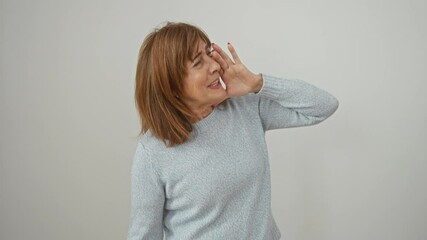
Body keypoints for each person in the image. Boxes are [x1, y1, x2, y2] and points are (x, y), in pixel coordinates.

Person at [127, 22, 339, 240]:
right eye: (199, 62)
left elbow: (323, 106)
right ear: (171, 86)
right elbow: (144, 235)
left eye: (210, 54)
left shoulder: (245, 107)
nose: (215, 66)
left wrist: (257, 83)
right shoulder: (153, 153)